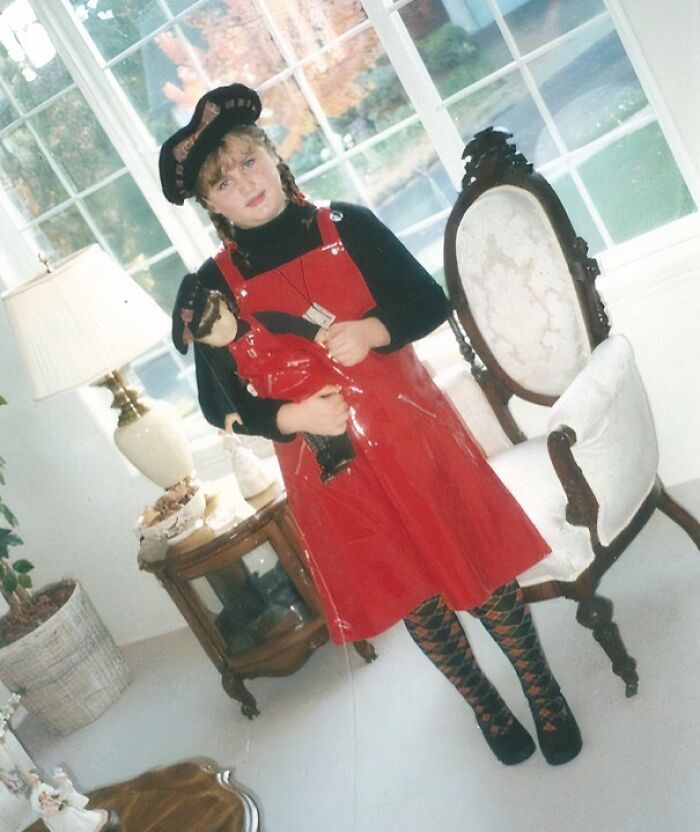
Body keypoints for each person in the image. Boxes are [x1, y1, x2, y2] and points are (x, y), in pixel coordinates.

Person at [159, 83, 582, 766]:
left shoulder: (346, 223)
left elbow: (428, 300)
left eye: (247, 162)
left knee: (478, 565)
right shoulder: (208, 290)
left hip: (416, 439)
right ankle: (484, 703)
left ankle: (543, 689)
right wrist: (290, 414)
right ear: (210, 204)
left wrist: (376, 328)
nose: (244, 183)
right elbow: (219, 403)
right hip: (331, 470)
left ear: (272, 155)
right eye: (223, 181)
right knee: (414, 591)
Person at [173, 280, 355, 481]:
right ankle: (328, 456)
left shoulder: (257, 322)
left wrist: (316, 332)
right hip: (279, 394)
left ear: (224, 303)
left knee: (326, 408)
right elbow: (219, 404)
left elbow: (286, 322)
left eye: (217, 317)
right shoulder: (223, 356)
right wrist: (288, 417)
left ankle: (340, 448)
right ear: (204, 342)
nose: (219, 329)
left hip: (299, 372)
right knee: (312, 428)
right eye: (208, 332)